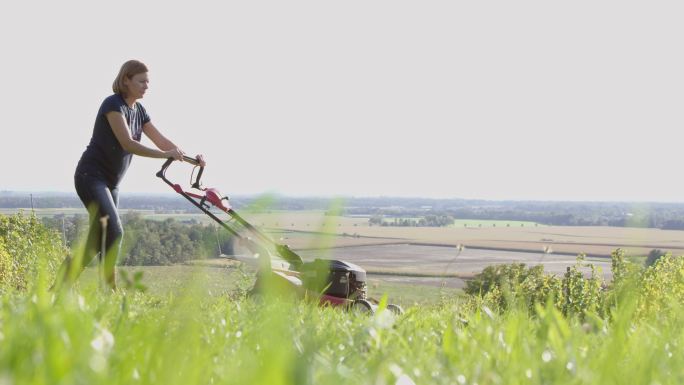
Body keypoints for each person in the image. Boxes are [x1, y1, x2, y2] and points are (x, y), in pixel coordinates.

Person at [56, 60, 206, 290]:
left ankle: (57, 290)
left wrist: (191, 159)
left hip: (111, 183)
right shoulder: (112, 104)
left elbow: (162, 141)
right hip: (91, 176)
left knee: (96, 242)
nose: (147, 86)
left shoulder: (140, 110)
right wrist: (165, 154)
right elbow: (128, 143)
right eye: (142, 81)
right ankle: (110, 292)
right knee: (114, 231)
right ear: (126, 80)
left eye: (148, 81)